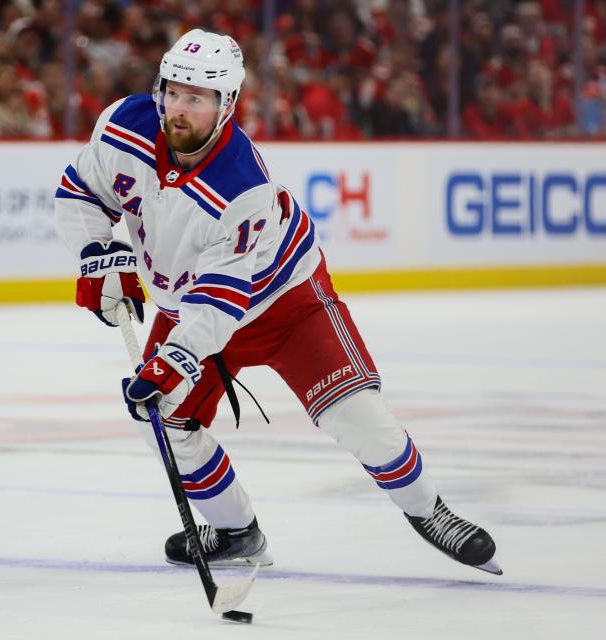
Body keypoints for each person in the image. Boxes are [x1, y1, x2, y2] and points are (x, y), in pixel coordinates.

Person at [53, 29, 501, 575]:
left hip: (282, 299)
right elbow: (81, 188)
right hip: (186, 301)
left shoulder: (243, 185)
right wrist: (99, 254)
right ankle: (238, 532)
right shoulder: (124, 125)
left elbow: (223, 298)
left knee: (358, 416)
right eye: (172, 91)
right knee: (162, 421)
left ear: (226, 106)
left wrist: (172, 361)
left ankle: (429, 511)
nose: (177, 108)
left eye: (195, 98)